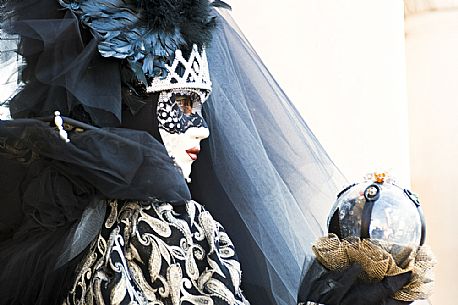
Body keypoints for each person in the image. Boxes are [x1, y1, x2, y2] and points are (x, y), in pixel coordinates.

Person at [0, 1, 409, 304]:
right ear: (135, 109)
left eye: (201, 107)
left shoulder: (68, 227)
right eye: (182, 105)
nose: (203, 128)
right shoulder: (163, 222)